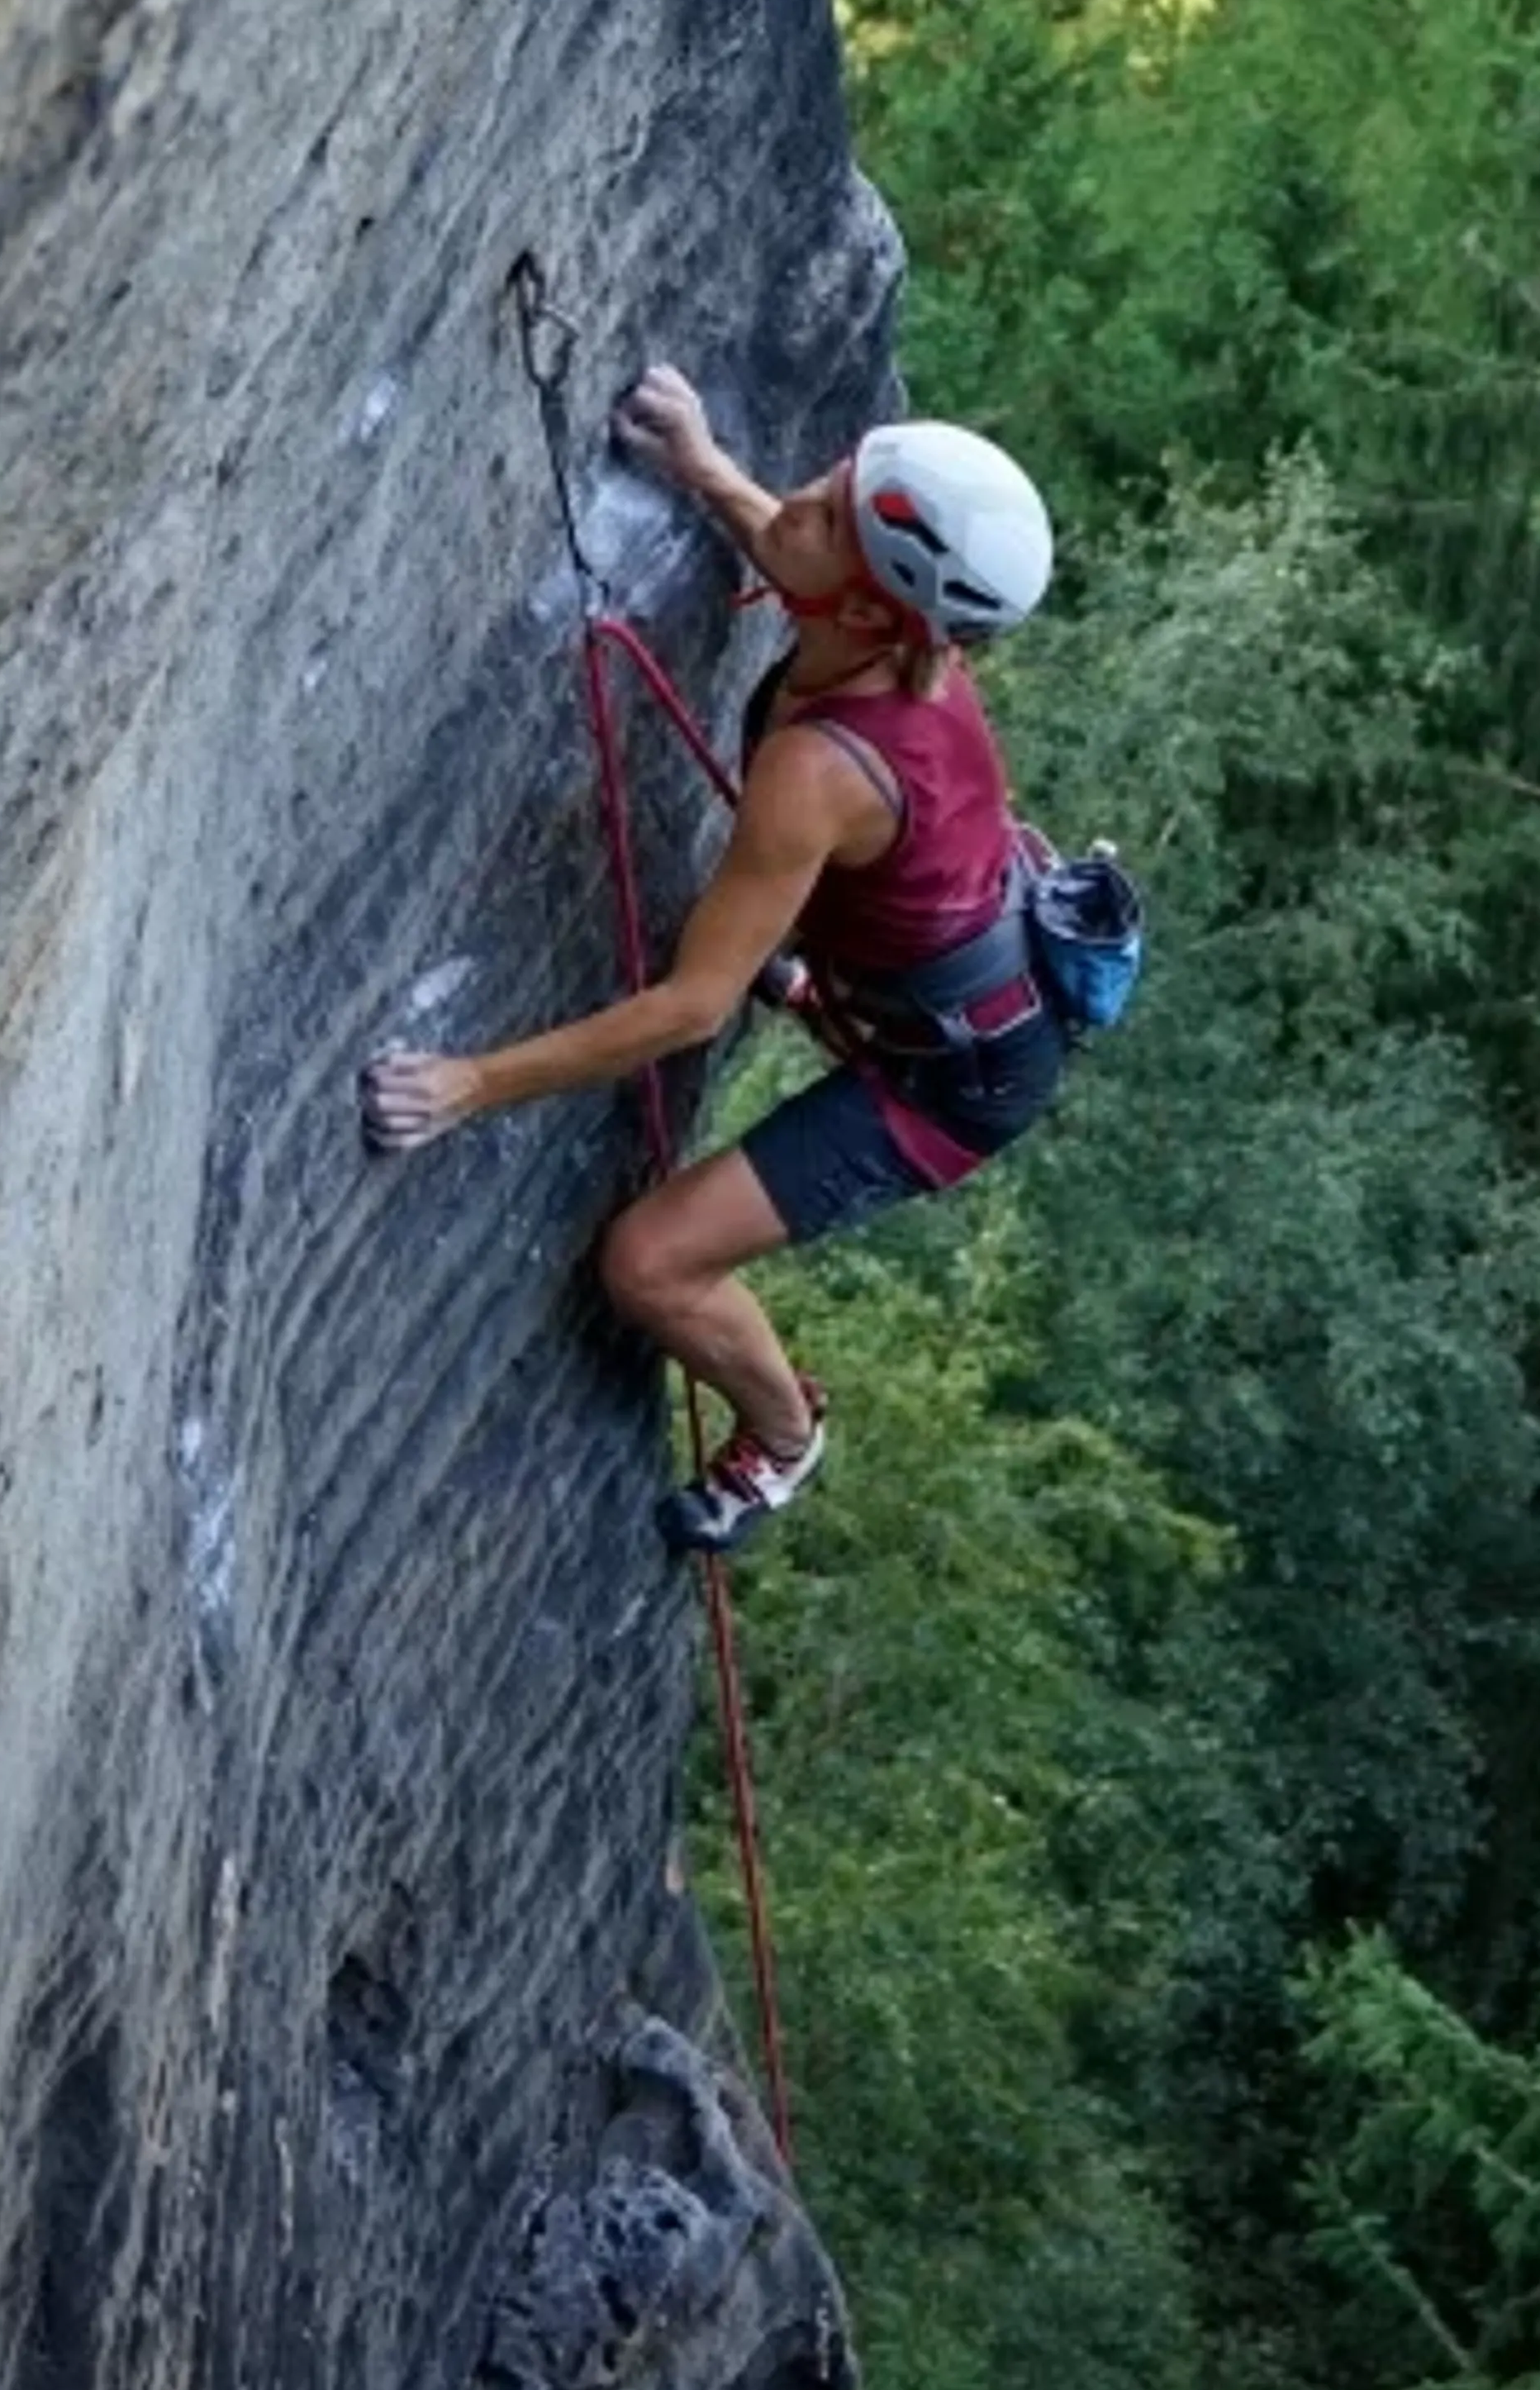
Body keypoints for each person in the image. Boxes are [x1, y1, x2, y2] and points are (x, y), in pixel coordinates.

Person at [361, 364, 1060, 1552]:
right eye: (832, 483)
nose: (797, 502)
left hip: (949, 1082)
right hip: (929, 980)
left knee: (648, 1264)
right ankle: (814, 982)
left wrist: (470, 1083)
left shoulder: (823, 772)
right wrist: (700, 461)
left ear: (884, 611)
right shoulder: (883, 634)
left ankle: (786, 1436)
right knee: (765, 946)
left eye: (829, 511)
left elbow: (690, 1009)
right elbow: (802, 554)